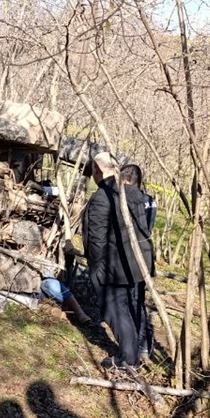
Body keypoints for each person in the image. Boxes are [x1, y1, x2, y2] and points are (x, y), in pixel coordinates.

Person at [83, 152, 154, 372]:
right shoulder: (135, 193)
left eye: (92, 172)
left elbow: (96, 239)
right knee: (130, 306)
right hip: (136, 265)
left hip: (114, 267)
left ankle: (128, 359)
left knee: (115, 310)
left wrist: (97, 269)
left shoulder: (103, 196)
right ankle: (138, 351)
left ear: (97, 169)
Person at [121, 163, 156, 362]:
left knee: (132, 301)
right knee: (137, 300)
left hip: (132, 256)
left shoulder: (131, 200)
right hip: (144, 256)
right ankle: (141, 345)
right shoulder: (149, 200)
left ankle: (139, 345)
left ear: (126, 180)